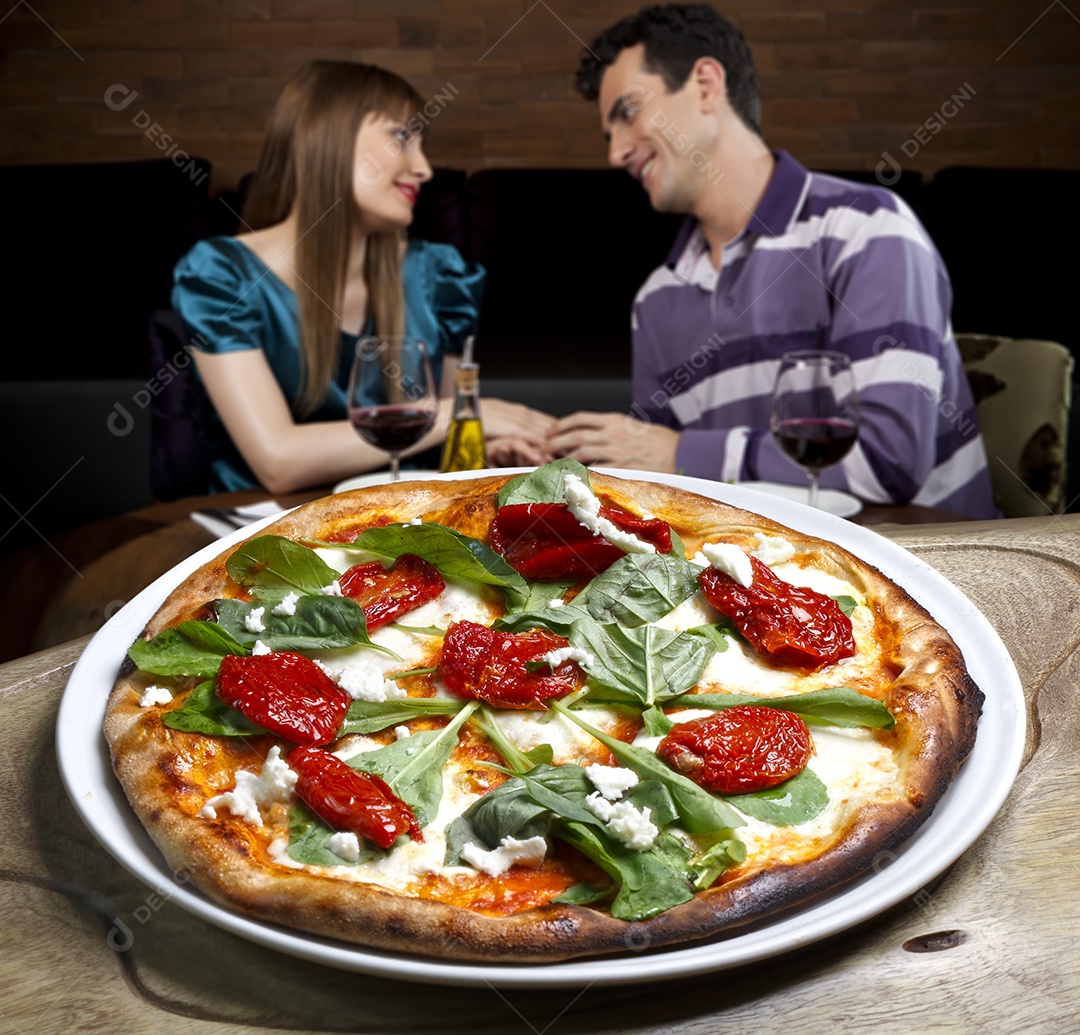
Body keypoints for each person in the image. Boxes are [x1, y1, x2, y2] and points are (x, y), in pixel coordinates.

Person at [549, 4, 997, 519]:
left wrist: (678, 454)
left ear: (705, 85)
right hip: (770, 579)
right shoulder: (656, 299)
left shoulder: (866, 229)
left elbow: (885, 463)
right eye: (608, 137)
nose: (616, 153)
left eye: (628, 112)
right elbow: (669, 499)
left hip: (934, 564)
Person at [173, 59, 555, 493]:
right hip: (266, 538)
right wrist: (454, 413)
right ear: (326, 137)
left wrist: (484, 443)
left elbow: (438, 444)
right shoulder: (221, 275)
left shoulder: (440, 275)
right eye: (401, 137)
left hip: (395, 523)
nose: (424, 168)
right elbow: (278, 461)